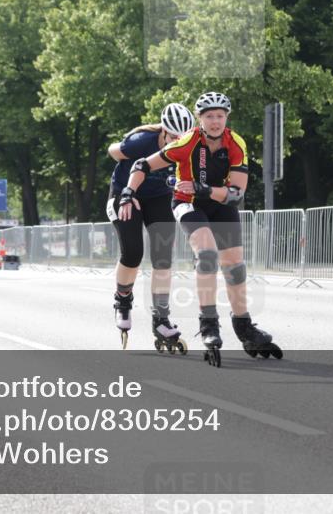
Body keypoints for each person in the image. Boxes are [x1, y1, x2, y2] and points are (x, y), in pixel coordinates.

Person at [119, 91, 282, 367]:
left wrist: (202, 187)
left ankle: (244, 325)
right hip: (188, 204)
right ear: (200, 119)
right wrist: (127, 192)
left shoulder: (235, 143)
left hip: (219, 203)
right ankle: (209, 324)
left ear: (226, 117)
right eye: (209, 116)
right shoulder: (187, 142)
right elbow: (142, 164)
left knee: (235, 265)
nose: (215, 121)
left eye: (220, 116)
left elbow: (236, 194)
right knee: (207, 255)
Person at [107, 103, 194, 351]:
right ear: (163, 133)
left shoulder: (190, 148)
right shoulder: (141, 141)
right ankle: (123, 301)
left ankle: (161, 318)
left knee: (163, 258)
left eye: (182, 139)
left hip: (158, 197)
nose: (177, 143)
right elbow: (113, 151)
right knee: (133, 252)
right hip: (126, 193)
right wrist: (121, 150)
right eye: (173, 138)